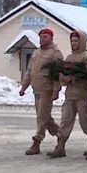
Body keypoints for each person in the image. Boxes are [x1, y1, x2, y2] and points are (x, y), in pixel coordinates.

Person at [48, 30, 87, 159]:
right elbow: (62, 75)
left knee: (85, 121)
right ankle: (60, 146)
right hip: (70, 95)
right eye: (72, 41)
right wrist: (63, 78)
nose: (74, 43)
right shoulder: (69, 58)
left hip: (82, 95)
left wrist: (75, 79)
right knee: (65, 121)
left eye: (76, 41)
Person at [19, 27, 64, 156]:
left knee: (42, 117)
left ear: (51, 38)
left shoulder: (55, 53)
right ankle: (61, 135)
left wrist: (56, 90)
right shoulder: (36, 53)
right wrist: (24, 87)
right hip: (36, 89)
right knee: (45, 117)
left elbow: (57, 74)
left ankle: (37, 142)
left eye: (45, 37)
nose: (42, 39)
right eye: (41, 37)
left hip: (47, 90)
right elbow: (29, 71)